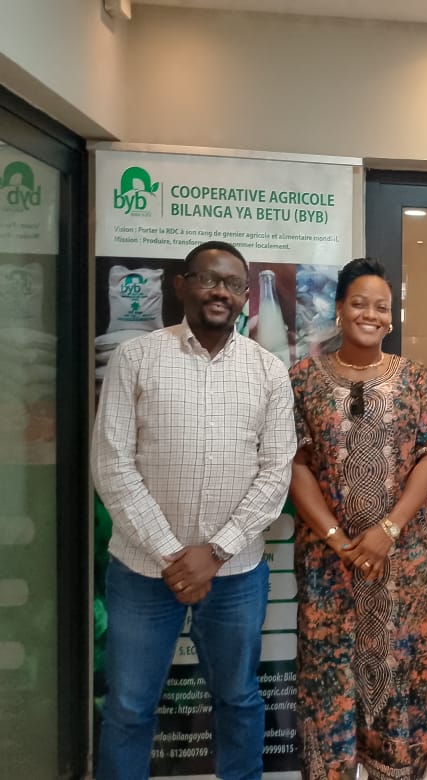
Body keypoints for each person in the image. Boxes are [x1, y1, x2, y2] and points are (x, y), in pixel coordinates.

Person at [91, 240, 296, 780]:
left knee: (239, 698)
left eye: (233, 284)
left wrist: (216, 551)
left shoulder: (268, 370)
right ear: (181, 285)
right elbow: (111, 465)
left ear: (245, 297)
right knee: (129, 707)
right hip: (142, 569)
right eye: (209, 279)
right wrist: (173, 555)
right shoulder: (136, 358)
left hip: (236, 572)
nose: (220, 292)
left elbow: (276, 473)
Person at [288, 257, 427, 780]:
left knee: (402, 686)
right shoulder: (303, 379)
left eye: (382, 307)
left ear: (391, 317)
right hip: (328, 570)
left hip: (403, 569)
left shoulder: (414, 378)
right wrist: (340, 540)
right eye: (359, 303)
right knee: (327, 690)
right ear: (339, 309)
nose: (370, 314)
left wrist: (387, 530)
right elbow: (295, 463)